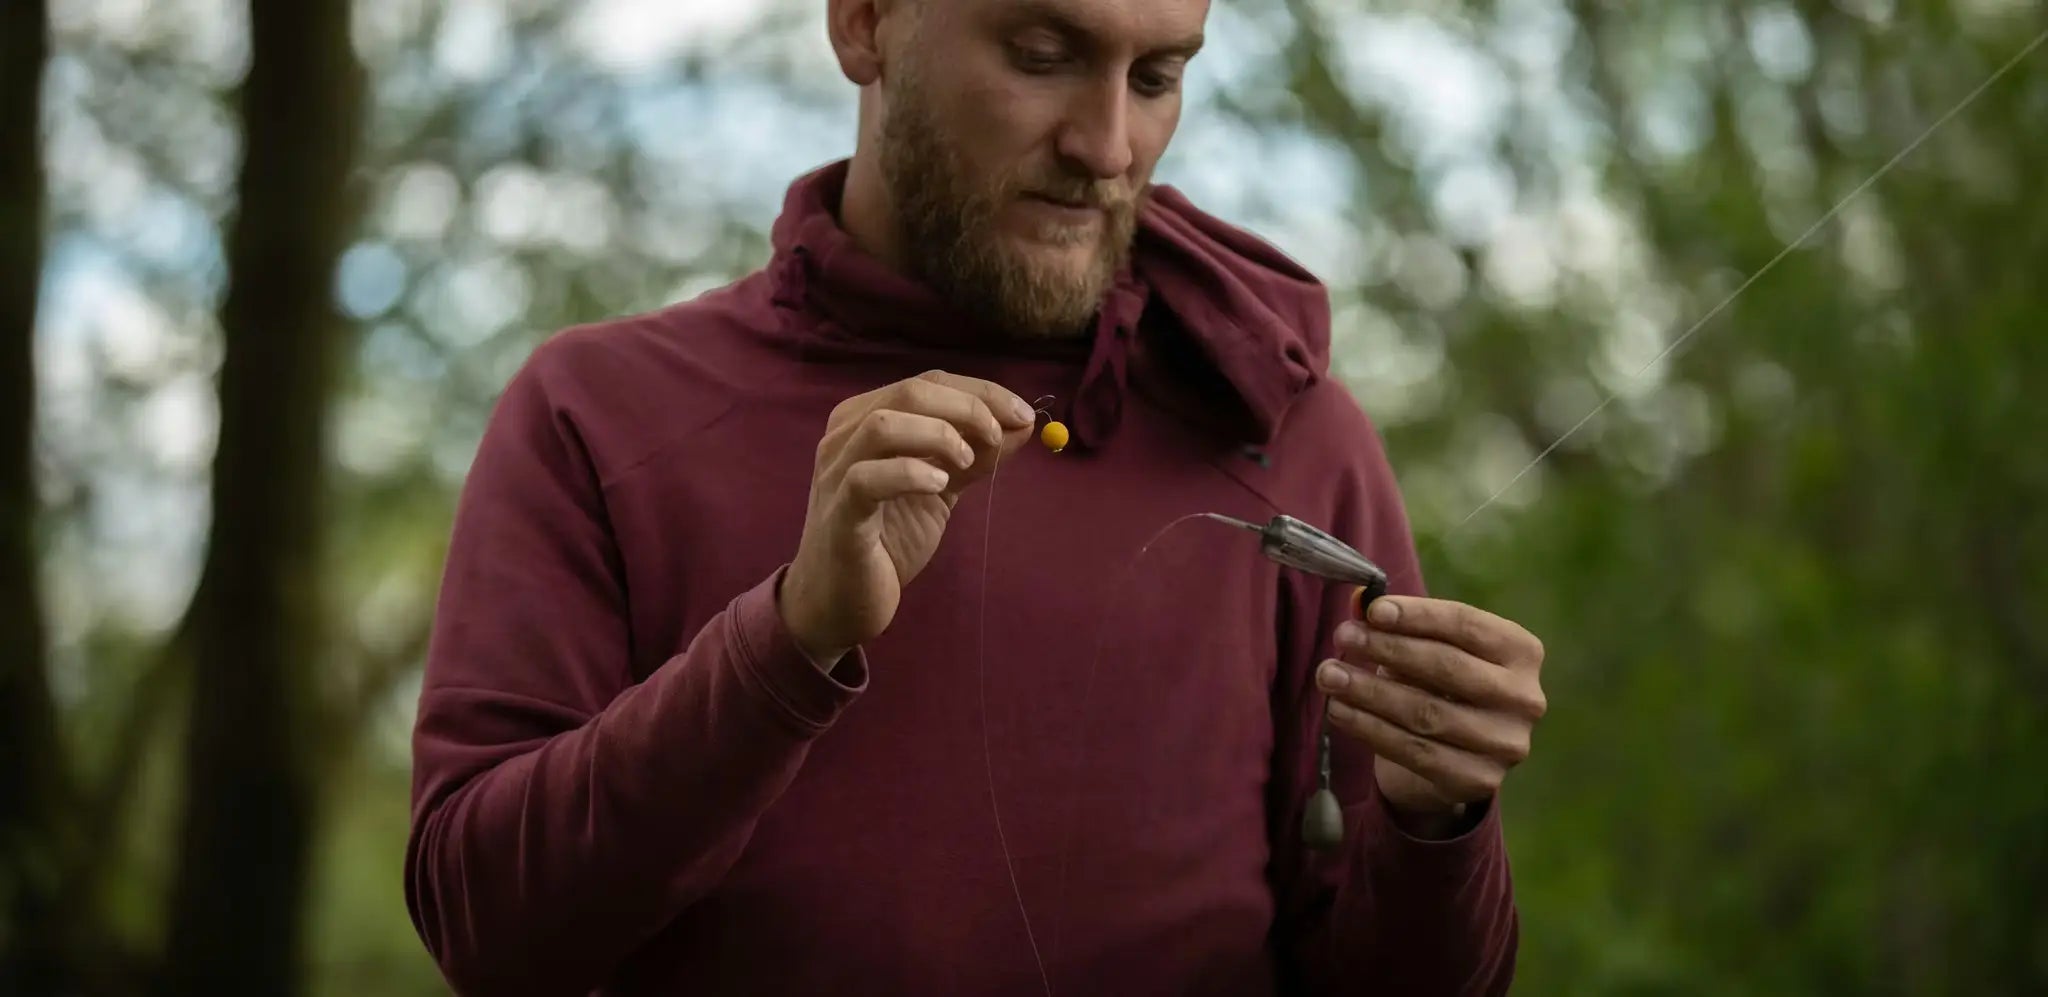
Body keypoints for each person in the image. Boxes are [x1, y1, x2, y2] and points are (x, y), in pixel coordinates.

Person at [403, 0, 1551, 993]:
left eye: (1156, 77)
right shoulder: (600, 412)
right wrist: (789, 639)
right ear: (864, 23)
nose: (1107, 146)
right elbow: (486, 934)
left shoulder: (1286, 433)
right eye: (1042, 55)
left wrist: (1437, 822)